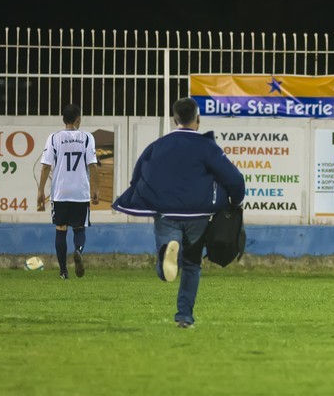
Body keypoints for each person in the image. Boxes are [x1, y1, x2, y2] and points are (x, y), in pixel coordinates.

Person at [113, 97, 246, 328]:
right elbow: (234, 178)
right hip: (198, 216)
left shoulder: (158, 146)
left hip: (166, 213)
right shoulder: (207, 147)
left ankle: (167, 254)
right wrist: (235, 200)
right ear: (198, 119)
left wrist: (146, 197)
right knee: (192, 265)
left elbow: (139, 176)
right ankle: (184, 317)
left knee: (166, 262)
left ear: (175, 119)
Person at [36, 104, 100, 280]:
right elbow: (92, 165)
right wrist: (96, 188)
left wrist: (40, 190)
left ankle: (63, 271)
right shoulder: (87, 137)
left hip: (60, 192)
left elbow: (46, 166)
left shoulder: (54, 138)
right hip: (80, 192)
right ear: (78, 119)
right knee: (79, 228)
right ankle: (78, 251)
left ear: (63, 119)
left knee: (61, 228)